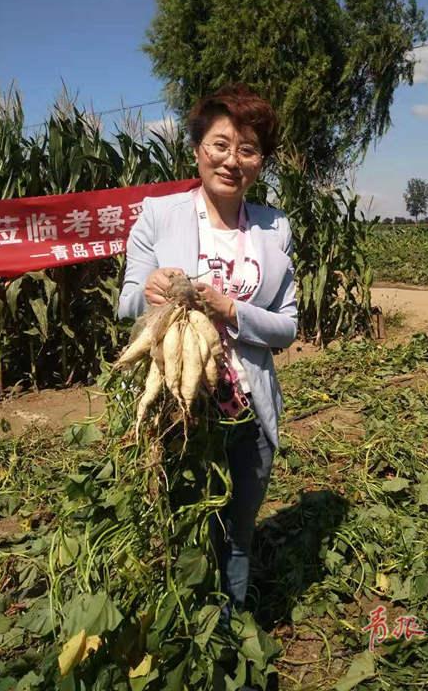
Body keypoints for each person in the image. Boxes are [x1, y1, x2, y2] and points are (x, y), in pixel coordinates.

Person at [118, 83, 298, 619]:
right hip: (180, 408)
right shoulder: (159, 215)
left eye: (248, 150)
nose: (232, 160)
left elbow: (287, 328)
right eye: (220, 144)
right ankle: (181, 634)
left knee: (237, 535)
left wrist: (232, 311)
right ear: (198, 147)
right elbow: (127, 301)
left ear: (260, 162)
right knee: (182, 530)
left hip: (248, 409)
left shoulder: (274, 227)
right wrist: (149, 287)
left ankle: (227, 637)